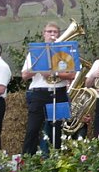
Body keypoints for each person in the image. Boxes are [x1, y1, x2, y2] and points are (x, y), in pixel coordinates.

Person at [21, 22, 74, 154]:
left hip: (59, 92)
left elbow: (71, 75)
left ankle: (58, 161)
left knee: (58, 129)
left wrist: (54, 73)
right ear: (44, 34)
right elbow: (24, 76)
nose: (52, 34)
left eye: (55, 32)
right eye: (49, 32)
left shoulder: (64, 53)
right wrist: (39, 67)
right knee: (33, 129)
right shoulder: (34, 53)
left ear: (59, 35)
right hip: (39, 94)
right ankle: (27, 160)